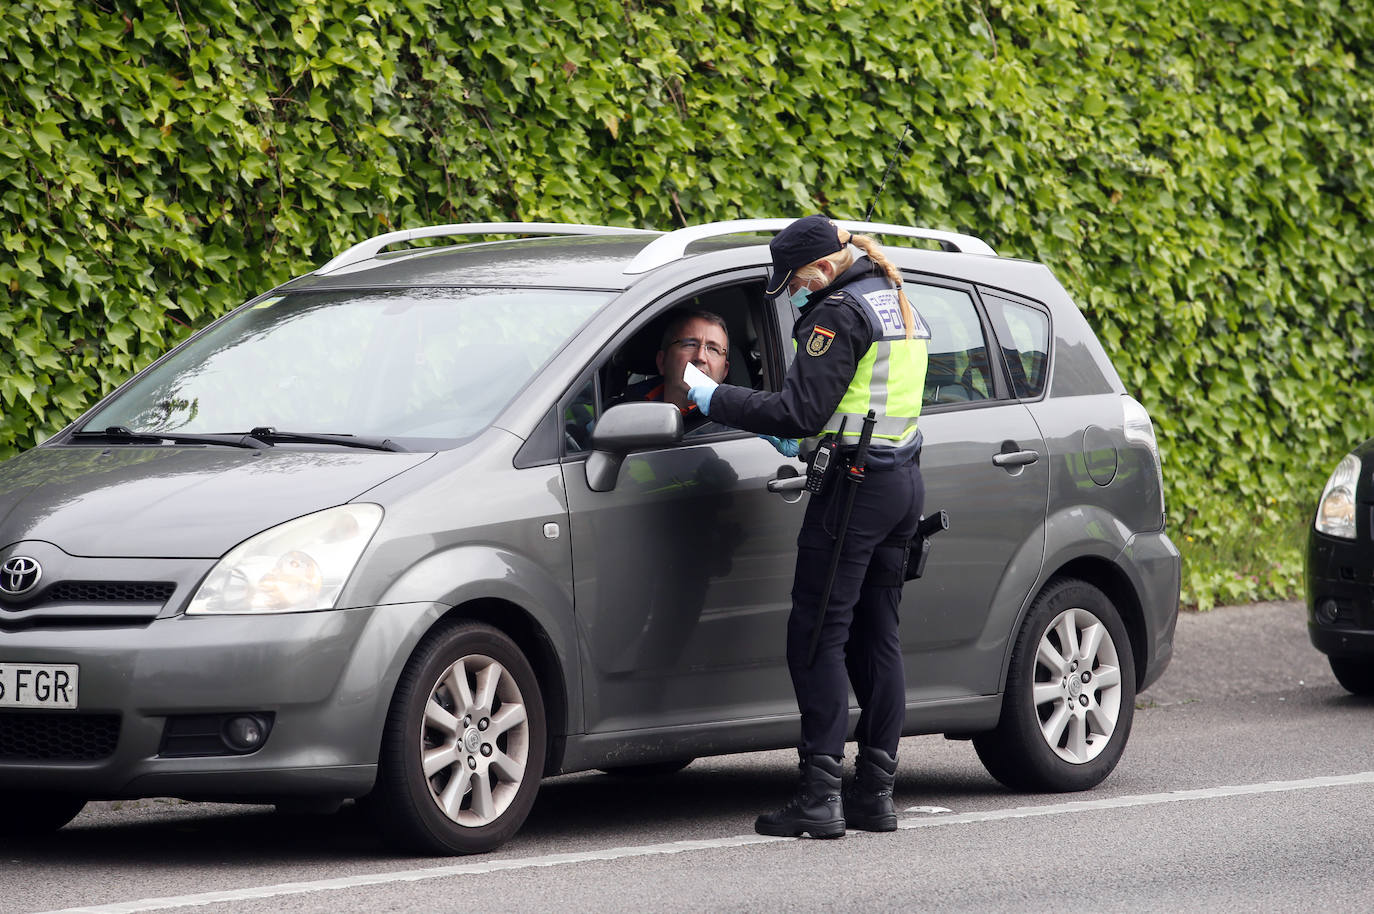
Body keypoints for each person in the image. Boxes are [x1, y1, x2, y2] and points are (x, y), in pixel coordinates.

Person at [687, 215, 928, 838]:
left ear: (821, 269)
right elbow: (853, 407)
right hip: (899, 479)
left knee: (816, 635)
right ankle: (875, 794)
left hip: (855, 489)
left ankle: (820, 799)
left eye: (794, 282)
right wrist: (799, 436)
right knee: (878, 637)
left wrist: (717, 399)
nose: (793, 292)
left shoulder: (838, 313)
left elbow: (800, 408)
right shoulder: (894, 299)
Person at [620, 309, 732, 434]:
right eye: (690, 344)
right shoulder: (621, 412)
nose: (700, 356)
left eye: (713, 349)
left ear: (724, 371)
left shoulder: (735, 426)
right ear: (662, 361)